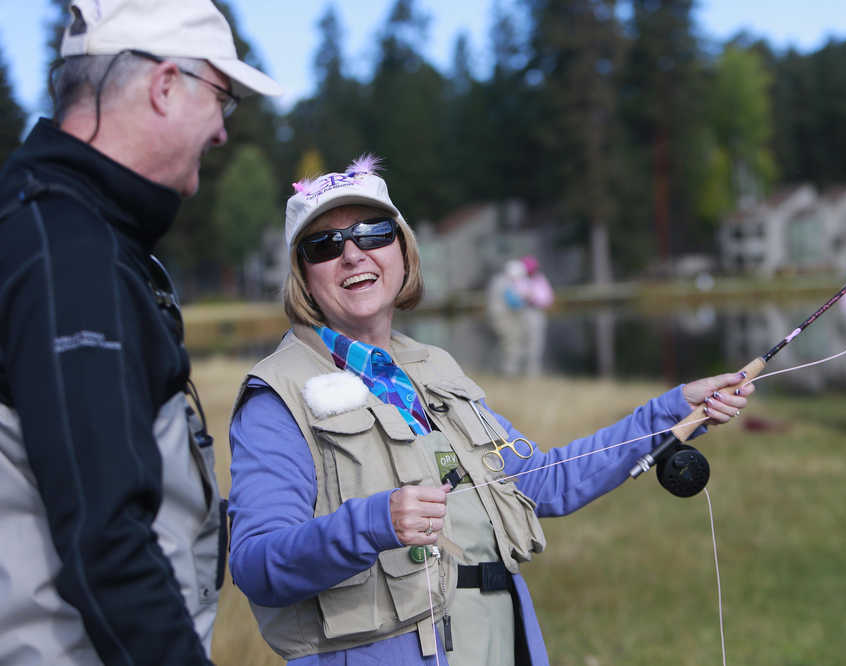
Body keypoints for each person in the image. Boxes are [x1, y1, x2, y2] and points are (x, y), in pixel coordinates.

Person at [227, 155, 755, 665]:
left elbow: (540, 483)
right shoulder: (277, 396)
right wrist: (373, 522)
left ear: (403, 251)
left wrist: (671, 414)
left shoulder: (434, 367)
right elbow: (255, 563)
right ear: (303, 274)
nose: (353, 254)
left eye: (372, 233)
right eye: (324, 245)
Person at [0, 1, 282, 664]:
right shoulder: (69, 258)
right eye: (223, 98)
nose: (221, 133)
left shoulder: (54, 228)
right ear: (164, 86)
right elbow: (108, 543)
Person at [487, 259, 529, 376]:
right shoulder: (505, 283)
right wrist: (526, 299)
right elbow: (514, 302)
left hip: (496, 317)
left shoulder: (497, 281)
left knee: (502, 343)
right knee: (512, 342)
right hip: (503, 317)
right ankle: (509, 371)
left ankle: (499, 369)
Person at [517, 255, 554, 376]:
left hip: (535, 313)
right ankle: (516, 372)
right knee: (519, 344)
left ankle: (532, 374)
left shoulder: (540, 279)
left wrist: (534, 298)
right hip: (519, 314)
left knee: (536, 345)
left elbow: (547, 299)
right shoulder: (518, 279)